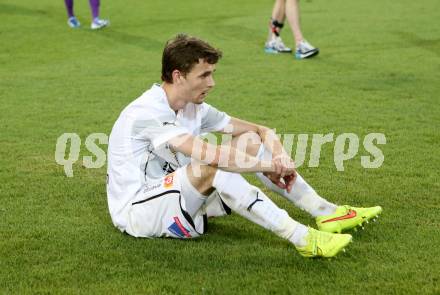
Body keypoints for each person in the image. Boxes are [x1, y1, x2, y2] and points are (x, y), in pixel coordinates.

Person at [106, 34, 382, 258]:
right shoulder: (146, 112)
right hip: (139, 212)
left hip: (177, 197)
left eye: (212, 74)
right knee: (213, 164)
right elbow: (212, 156)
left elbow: (260, 131)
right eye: (204, 75)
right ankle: (303, 238)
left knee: (247, 143)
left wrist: (280, 156)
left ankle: (327, 213)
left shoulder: (193, 107)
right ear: (178, 76)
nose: (212, 83)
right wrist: (269, 166)